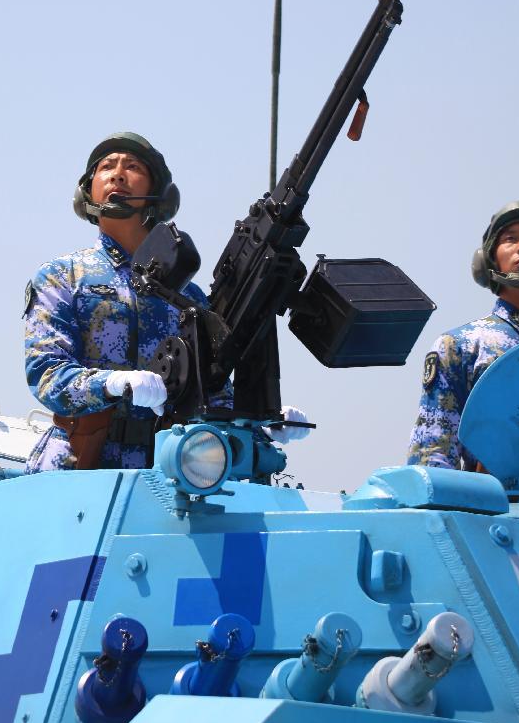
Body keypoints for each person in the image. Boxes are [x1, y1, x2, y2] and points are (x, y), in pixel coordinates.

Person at [23, 131, 309, 473]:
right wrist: (112, 384)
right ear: (88, 190)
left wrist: (260, 421)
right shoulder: (62, 276)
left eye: (132, 166)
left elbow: (211, 394)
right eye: (106, 167)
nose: (117, 174)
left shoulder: (187, 297)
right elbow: (47, 375)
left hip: (169, 469)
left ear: (156, 191)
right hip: (77, 467)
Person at [407, 200, 519, 471]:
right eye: (511, 239)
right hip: (493, 510)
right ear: (489, 259)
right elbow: (433, 457)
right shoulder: (460, 346)